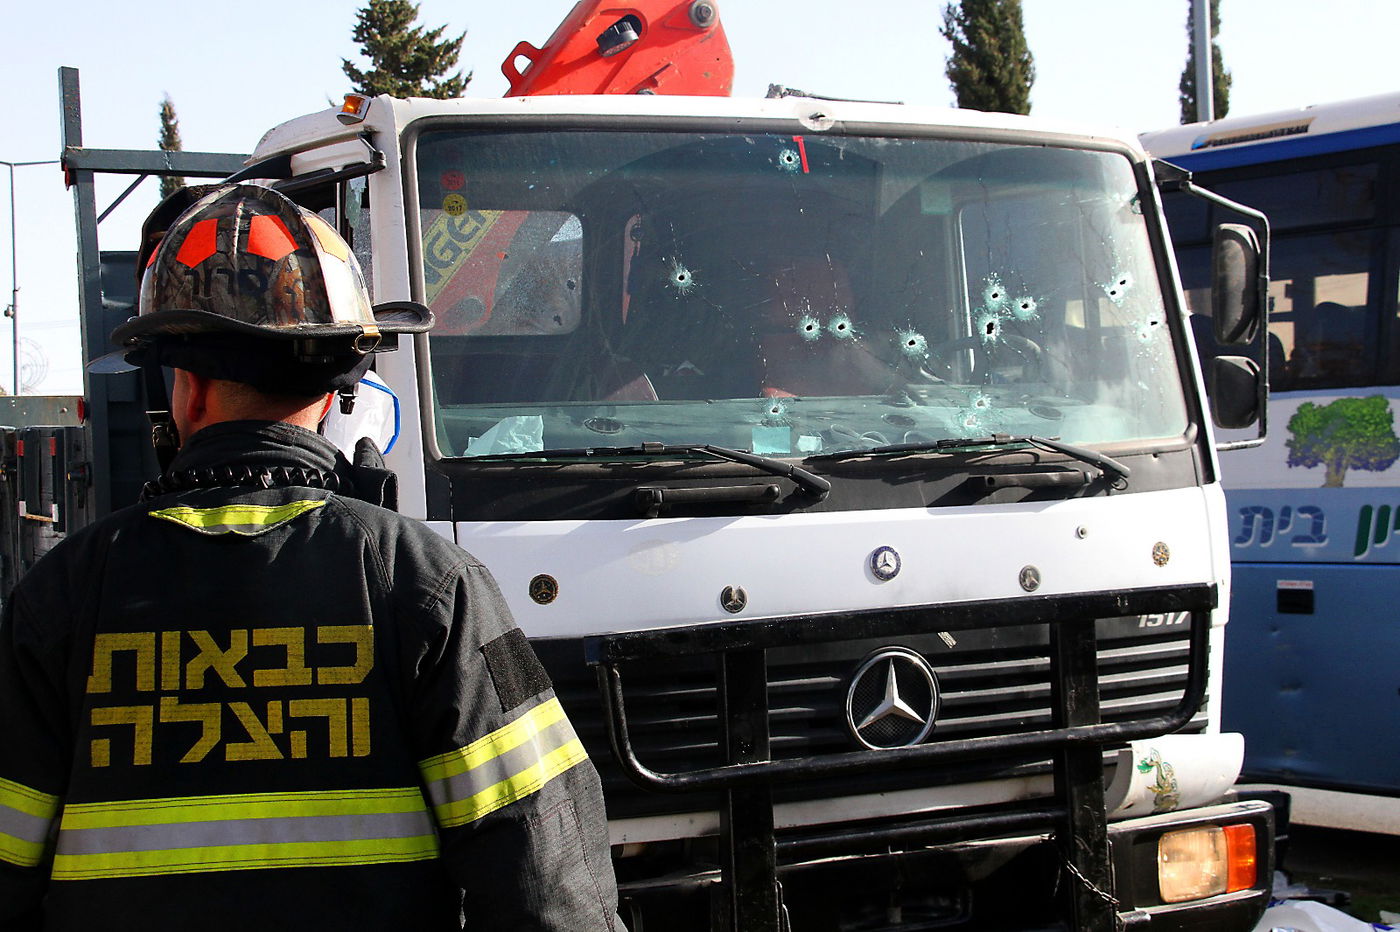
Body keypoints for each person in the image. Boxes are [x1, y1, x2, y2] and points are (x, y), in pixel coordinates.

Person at [0, 184, 621, 931]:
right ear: (334, 392)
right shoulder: (429, 587)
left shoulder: (60, 597)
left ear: (188, 392)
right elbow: (550, 892)